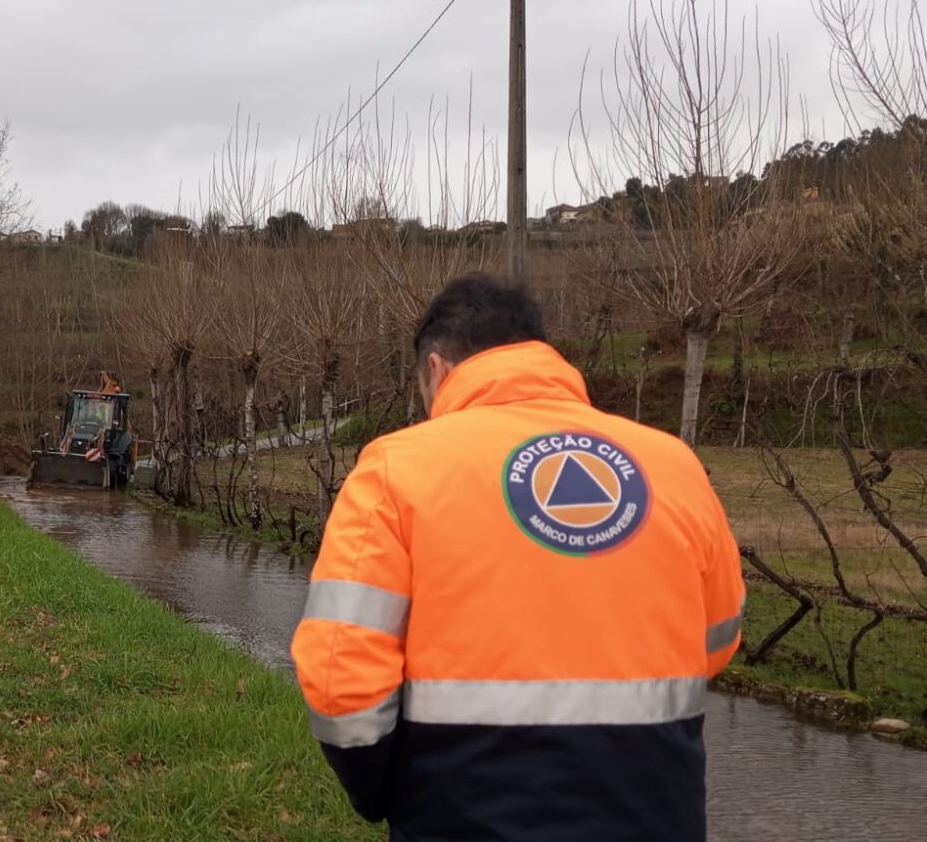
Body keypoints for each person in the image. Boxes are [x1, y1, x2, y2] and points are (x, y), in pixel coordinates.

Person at [290, 273, 744, 842]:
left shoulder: (396, 468)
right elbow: (718, 638)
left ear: (436, 370)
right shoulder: (673, 465)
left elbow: (340, 671)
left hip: (464, 816)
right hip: (658, 813)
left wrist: (378, 788)